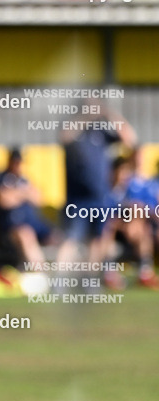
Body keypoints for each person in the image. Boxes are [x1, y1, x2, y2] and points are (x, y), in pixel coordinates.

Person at [56, 101, 136, 273]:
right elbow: (64, 137)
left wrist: (110, 113)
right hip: (77, 200)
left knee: (97, 240)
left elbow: (130, 140)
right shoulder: (75, 129)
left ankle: (90, 280)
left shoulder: (101, 133)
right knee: (71, 239)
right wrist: (87, 115)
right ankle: (60, 279)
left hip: (100, 197)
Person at [0, 147, 57, 269]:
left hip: (35, 224)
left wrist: (17, 193)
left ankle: (65, 275)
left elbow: (39, 199)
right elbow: (3, 199)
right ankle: (40, 273)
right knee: (25, 234)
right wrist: (24, 193)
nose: (18, 166)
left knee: (58, 237)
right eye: (16, 162)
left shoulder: (25, 179)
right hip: (10, 229)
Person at [99, 150, 159, 289]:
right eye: (122, 172)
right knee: (108, 228)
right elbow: (105, 218)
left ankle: (145, 273)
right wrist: (122, 225)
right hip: (111, 233)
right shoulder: (105, 192)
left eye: (127, 173)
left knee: (141, 226)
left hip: (131, 232)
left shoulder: (128, 191)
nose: (125, 176)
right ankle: (109, 272)